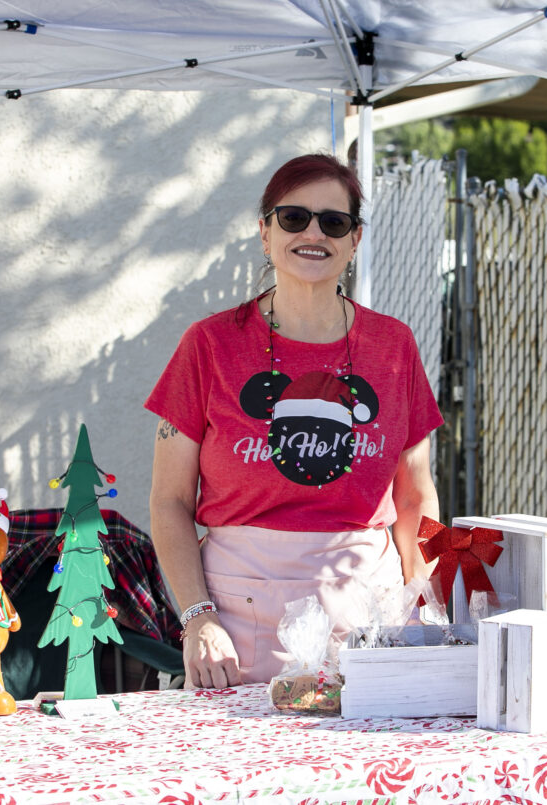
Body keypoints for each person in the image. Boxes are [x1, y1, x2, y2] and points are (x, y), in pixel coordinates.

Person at [146, 153, 442, 689]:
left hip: (369, 619)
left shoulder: (393, 345)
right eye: (293, 218)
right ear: (264, 233)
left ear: (354, 240)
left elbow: (416, 496)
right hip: (236, 629)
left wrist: (421, 599)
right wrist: (197, 618)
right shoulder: (209, 345)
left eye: (334, 222)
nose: (314, 233)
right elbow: (169, 502)